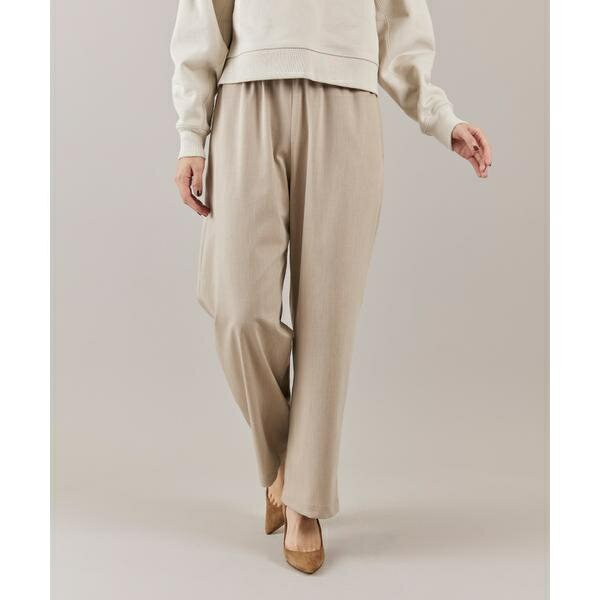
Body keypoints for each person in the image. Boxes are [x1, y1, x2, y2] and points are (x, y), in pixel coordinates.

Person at [171, 0, 492, 574]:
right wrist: (191, 136)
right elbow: (203, 15)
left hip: (347, 100)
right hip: (247, 93)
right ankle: (290, 466)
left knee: (328, 321)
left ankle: (304, 504)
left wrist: (440, 117)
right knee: (238, 310)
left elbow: (399, 20)